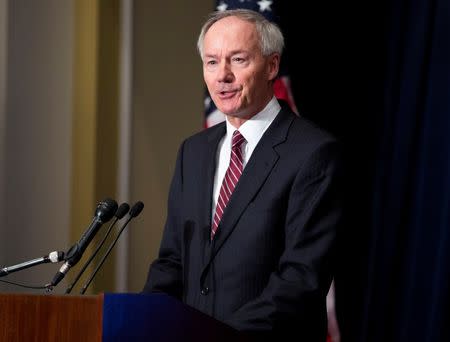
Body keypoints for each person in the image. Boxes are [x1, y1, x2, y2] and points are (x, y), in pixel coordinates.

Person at [143, 9, 343, 340]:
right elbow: (172, 262)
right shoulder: (192, 153)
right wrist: (141, 322)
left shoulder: (313, 153)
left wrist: (217, 334)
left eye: (237, 60)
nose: (222, 75)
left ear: (272, 66)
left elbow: (301, 279)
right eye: (211, 62)